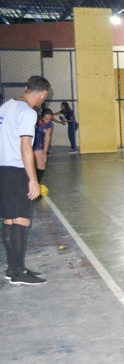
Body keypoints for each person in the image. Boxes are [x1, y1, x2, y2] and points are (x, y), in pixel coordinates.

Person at [1, 75, 51, 285]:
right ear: (43, 94)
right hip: (16, 170)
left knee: (9, 219)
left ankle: (13, 269)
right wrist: (33, 180)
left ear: (26, 87)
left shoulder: (5, 107)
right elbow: (25, 147)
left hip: (2, 169)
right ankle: (18, 272)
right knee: (22, 219)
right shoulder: (27, 112)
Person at [33, 107, 54, 188]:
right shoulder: (34, 120)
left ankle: (36, 184)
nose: (47, 121)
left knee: (41, 164)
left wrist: (44, 153)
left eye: (49, 119)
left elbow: (47, 137)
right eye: (46, 118)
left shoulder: (49, 124)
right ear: (41, 116)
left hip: (39, 145)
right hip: (29, 143)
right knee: (30, 164)